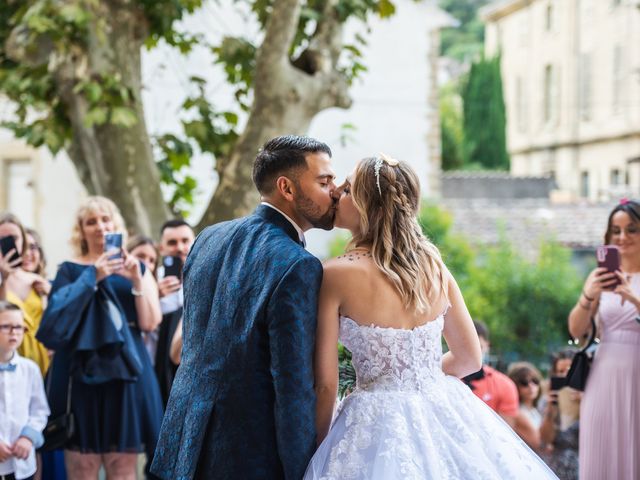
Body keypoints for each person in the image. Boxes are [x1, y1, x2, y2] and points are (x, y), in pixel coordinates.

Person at [304, 155, 557, 479]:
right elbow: (469, 359)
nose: (337, 192)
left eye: (349, 189)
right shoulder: (434, 266)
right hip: (444, 410)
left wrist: (317, 452)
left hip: (371, 422)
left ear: (374, 208)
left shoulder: (334, 274)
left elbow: (326, 385)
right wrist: (417, 374)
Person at [151, 135, 337, 480]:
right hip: (249, 455)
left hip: (184, 445)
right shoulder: (298, 265)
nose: (335, 192)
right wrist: (302, 468)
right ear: (287, 187)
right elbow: (292, 385)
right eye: (324, 181)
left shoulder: (208, 237)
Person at [36, 196, 163, 480]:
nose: (99, 226)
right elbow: (54, 322)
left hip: (126, 375)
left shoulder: (137, 268)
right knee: (82, 467)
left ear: (116, 224)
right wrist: (93, 276)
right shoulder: (69, 269)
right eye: (91, 222)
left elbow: (150, 322)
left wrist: (136, 280)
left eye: (105, 219)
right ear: (81, 231)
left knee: (123, 467)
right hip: (80, 374)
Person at [568, 198, 640, 480]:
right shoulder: (600, 277)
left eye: (632, 229)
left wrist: (631, 297)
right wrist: (589, 294)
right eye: (616, 230)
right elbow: (576, 331)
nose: (622, 237)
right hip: (604, 375)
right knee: (603, 456)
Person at [0, 300, 50, 480]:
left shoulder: (30, 369)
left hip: (20, 462)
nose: (14, 332)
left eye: (19, 327)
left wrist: (27, 438)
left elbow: (39, 410)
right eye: (6, 326)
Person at [0, 215, 51, 376]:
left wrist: (50, 294)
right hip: (9, 359)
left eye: (14, 237)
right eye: (2, 238)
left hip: (43, 358)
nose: (9, 243)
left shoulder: (36, 280)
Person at [153, 220, 194, 405]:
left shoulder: (208, 277)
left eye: (185, 241)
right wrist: (154, 294)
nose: (180, 247)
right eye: (172, 242)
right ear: (161, 248)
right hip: (157, 369)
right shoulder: (151, 281)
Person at [539, 348, 580, 480]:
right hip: (556, 470)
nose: (565, 375)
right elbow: (545, 440)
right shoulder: (549, 401)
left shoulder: (594, 398)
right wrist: (551, 410)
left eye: (570, 370)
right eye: (560, 371)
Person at [507, 361, 543, 449]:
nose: (531, 386)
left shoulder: (537, 409)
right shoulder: (516, 412)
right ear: (514, 385)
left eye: (535, 381)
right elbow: (540, 444)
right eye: (524, 382)